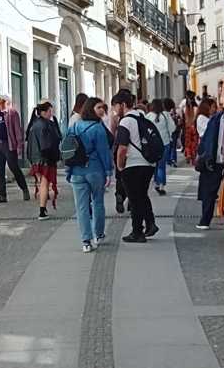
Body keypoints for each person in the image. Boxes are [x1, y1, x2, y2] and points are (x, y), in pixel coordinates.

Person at [66, 96, 113, 253]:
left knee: (81, 207)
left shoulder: (74, 126)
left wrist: (68, 171)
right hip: (95, 170)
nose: (102, 110)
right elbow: (104, 152)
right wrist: (108, 172)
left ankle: (86, 241)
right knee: (98, 202)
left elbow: (67, 150)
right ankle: (98, 234)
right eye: (99, 107)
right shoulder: (98, 128)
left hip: (77, 171)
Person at [112, 89, 158, 243]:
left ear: (123, 105)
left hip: (133, 164)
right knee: (142, 195)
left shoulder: (125, 121)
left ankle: (137, 232)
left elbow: (122, 147)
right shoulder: (141, 116)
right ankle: (150, 223)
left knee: (134, 199)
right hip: (148, 163)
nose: (114, 110)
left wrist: (120, 165)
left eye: (115, 106)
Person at [0, 93, 30, 204]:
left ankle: (24, 189)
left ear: (2, 100)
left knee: (14, 167)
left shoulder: (12, 113)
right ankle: (2, 195)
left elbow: (17, 130)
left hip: (9, 145)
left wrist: (19, 146)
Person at [27, 101, 62, 219]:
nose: (51, 113)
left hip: (35, 158)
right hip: (46, 158)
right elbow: (51, 142)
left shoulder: (33, 124)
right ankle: (42, 210)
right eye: (50, 111)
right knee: (44, 184)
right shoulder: (47, 125)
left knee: (41, 182)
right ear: (44, 112)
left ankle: (43, 208)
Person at [196, 102, 224, 229]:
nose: (215, 109)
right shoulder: (212, 119)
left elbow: (208, 141)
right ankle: (206, 219)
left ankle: (205, 220)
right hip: (217, 158)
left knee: (208, 190)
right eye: (213, 106)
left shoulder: (215, 120)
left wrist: (207, 158)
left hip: (212, 159)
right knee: (211, 190)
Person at [147, 98, 174, 195]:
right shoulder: (165, 115)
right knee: (161, 166)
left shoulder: (148, 116)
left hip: (152, 145)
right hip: (165, 143)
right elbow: (172, 127)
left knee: (154, 165)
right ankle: (161, 185)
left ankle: (156, 182)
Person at [182, 90, 198, 163]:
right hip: (194, 126)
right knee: (194, 142)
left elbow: (181, 114)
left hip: (187, 126)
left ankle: (188, 154)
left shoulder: (184, 105)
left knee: (187, 142)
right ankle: (193, 156)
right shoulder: (196, 105)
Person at [164, 97, 179, 166]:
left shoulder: (163, 114)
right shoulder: (174, 112)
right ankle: (173, 159)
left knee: (169, 146)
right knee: (173, 146)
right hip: (174, 131)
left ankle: (168, 159)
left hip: (167, 133)